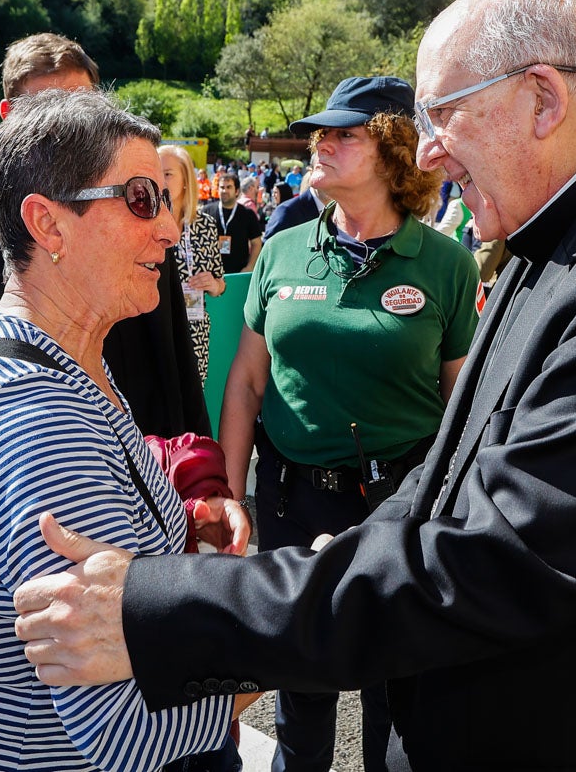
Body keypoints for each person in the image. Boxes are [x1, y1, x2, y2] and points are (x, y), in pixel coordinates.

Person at [12, 0, 576, 771]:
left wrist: (161, 608)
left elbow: (499, 560)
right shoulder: (575, 232)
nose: (424, 150)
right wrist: (336, 557)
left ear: (542, 99)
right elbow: (454, 473)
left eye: (442, 114)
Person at [0, 90, 254, 772]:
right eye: (138, 199)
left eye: (161, 198)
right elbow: (128, 730)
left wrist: (179, 518)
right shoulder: (33, 416)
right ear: (47, 223)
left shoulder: (50, 353)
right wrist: (299, 626)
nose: (167, 229)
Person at [223, 76, 478, 772]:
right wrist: (226, 492)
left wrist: (449, 510)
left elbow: (462, 404)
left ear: (394, 149)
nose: (322, 143)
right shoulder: (281, 249)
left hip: (399, 500)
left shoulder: (446, 264)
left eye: (345, 133)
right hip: (290, 496)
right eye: (320, 133)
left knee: (393, 688)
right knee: (299, 679)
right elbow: (246, 384)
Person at [0, 32, 209, 457]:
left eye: (85, 106)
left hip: (144, 451)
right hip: (18, 457)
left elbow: (169, 342)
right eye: (52, 111)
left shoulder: (140, 195)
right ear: (9, 118)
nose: (75, 128)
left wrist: (196, 466)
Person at [159, 145, 225, 381]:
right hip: (154, 328)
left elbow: (220, 283)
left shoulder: (205, 224)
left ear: (186, 180)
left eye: (167, 173)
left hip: (194, 330)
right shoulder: (144, 223)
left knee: (191, 406)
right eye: (156, 172)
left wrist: (213, 284)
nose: (160, 179)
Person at [202, 173, 262, 275]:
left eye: (229, 187)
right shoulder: (206, 211)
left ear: (237, 191)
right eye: (222, 187)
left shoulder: (248, 214)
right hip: (211, 274)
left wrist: (250, 267)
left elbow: (256, 243)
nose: (224, 191)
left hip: (238, 272)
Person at [263, 154, 327, 241]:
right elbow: (268, 250)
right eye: (323, 169)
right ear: (311, 172)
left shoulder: (341, 213)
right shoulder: (286, 212)